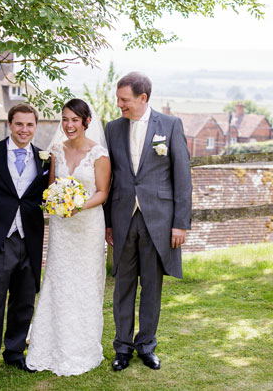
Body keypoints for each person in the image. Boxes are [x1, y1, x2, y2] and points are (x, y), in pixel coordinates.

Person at [104, 72, 192, 372]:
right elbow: (110, 178)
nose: (119, 105)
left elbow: (183, 178)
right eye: (118, 99)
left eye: (124, 100)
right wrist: (108, 223)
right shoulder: (112, 128)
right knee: (123, 287)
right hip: (123, 218)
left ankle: (147, 346)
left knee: (152, 287)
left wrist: (180, 224)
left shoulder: (170, 125)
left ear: (143, 98)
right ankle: (122, 348)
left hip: (159, 221)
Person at [26, 98, 111, 376]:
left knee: (85, 284)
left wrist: (78, 205)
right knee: (58, 281)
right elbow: (51, 188)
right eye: (65, 119)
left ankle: (81, 347)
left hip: (88, 228)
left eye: (75, 119)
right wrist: (57, 204)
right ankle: (50, 345)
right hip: (62, 227)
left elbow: (102, 192)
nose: (69, 125)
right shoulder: (56, 151)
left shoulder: (99, 154)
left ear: (86, 121)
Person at [0, 103, 51, 380]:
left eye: (30, 125)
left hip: (30, 238)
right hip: (0, 238)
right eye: (19, 124)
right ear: (10, 125)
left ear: (35, 127)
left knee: (24, 300)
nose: (24, 130)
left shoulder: (44, 158)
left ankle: (15, 353)